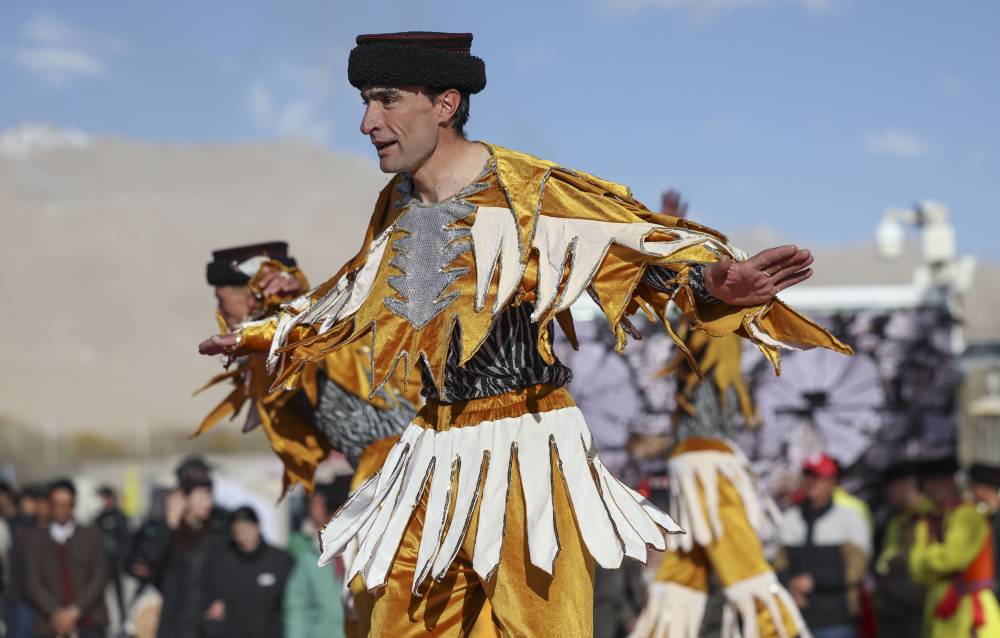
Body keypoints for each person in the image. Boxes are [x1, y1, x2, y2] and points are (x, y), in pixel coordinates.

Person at [198, 31, 850, 636]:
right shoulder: (396, 204)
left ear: (446, 104)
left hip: (524, 450)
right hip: (428, 451)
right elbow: (354, 289)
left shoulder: (526, 190)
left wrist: (709, 283)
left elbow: (632, 247)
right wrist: (266, 335)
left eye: (386, 100)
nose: (367, 122)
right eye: (366, 102)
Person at [629, 193, 809, 638]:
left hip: (703, 466)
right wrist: (672, 241)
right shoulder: (714, 339)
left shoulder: (716, 335)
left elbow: (683, 305)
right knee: (715, 570)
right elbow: (682, 303)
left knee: (703, 574)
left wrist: (672, 241)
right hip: (703, 465)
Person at [126, 457, 229, 638]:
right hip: (173, 624)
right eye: (202, 496)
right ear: (183, 497)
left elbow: (229, 570)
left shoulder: (218, 529)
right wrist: (170, 524)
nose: (208, 502)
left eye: (209, 495)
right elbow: (149, 563)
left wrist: (223, 598)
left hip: (207, 624)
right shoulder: (164, 528)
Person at [776, 454, 870, 638]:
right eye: (808, 476)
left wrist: (815, 580)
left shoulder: (849, 517)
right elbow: (780, 565)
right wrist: (791, 586)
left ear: (832, 481)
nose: (812, 483)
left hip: (836, 619)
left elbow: (857, 569)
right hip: (796, 619)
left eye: (819, 477)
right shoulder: (790, 519)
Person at [910, 457, 1000, 637]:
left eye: (936, 480)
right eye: (927, 482)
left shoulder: (968, 515)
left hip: (969, 611)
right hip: (939, 606)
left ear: (950, 480)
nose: (930, 488)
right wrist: (934, 559)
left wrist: (928, 557)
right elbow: (915, 569)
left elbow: (951, 559)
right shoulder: (928, 520)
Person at [23, 479, 108, 638]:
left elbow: (99, 577)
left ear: (73, 505)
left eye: (66, 504)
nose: (61, 510)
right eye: (57, 504)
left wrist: (75, 611)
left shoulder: (91, 536)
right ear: (50, 505)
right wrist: (56, 612)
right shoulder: (35, 540)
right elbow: (32, 582)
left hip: (89, 621)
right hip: (49, 624)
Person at [203, 506, 293, 638]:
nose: (243, 534)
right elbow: (208, 598)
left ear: (258, 527)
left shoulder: (280, 562)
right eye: (238, 530)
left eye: (247, 528)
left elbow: (292, 605)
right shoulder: (221, 561)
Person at [871, 460, 931, 638]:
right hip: (894, 609)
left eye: (889, 488)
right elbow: (885, 561)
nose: (887, 494)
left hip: (921, 608)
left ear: (906, 485)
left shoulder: (933, 516)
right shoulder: (897, 521)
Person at [284, 480, 350, 638]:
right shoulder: (304, 550)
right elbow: (297, 604)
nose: (318, 509)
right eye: (314, 504)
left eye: (322, 504)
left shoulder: (354, 546)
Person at [94, 485, 130, 630]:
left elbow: (127, 540)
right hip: (103, 564)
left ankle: (124, 622)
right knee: (99, 594)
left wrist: (122, 558)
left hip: (117, 563)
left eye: (107, 498)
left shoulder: (120, 517)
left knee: (120, 595)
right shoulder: (99, 518)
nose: (105, 502)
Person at [969, 462, 1000, 601]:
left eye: (974, 486)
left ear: (984, 488)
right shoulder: (987, 517)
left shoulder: (994, 519)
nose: (972, 492)